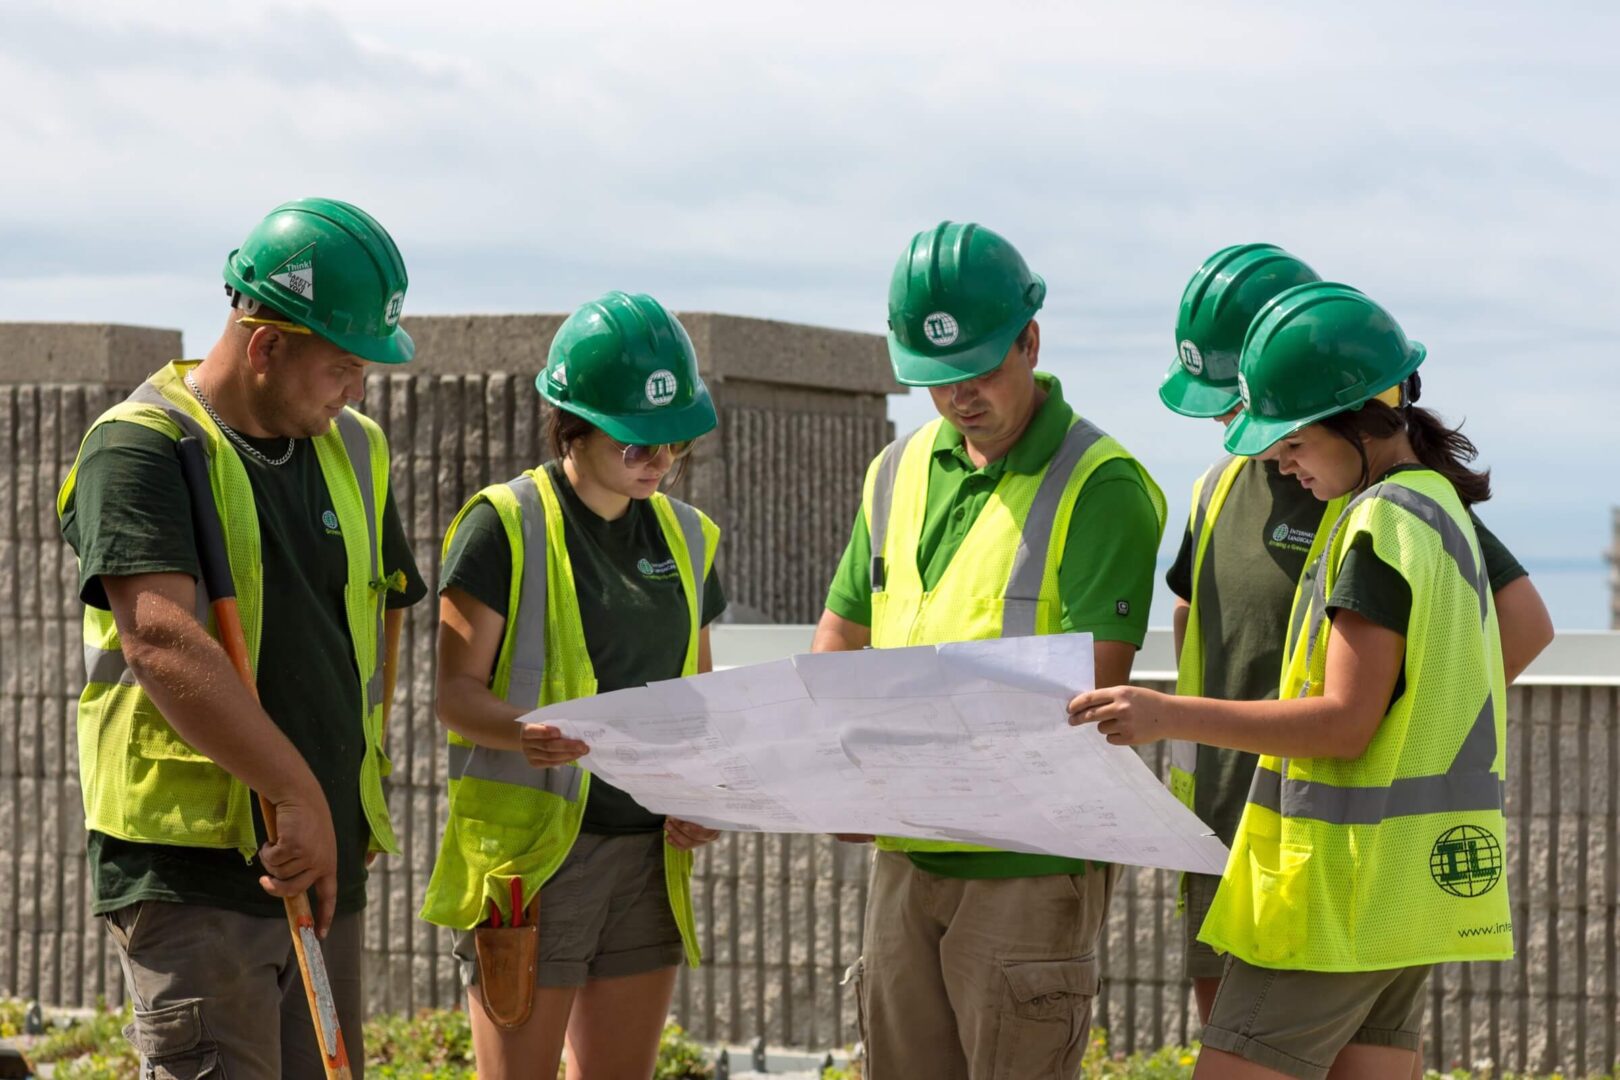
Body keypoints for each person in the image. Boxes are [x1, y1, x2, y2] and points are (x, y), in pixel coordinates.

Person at [1071, 283, 1516, 1080]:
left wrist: (1165, 713)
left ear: (1354, 419)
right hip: (1405, 892)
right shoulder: (1436, 510)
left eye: (1294, 445)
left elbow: (1344, 722)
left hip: (1336, 890)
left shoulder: (1379, 526)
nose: (1279, 461)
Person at [57, 198, 426, 1077]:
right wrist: (296, 788)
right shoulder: (142, 447)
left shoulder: (357, 450)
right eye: (342, 368)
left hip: (319, 857)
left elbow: (385, 612)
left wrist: (337, 794)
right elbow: (161, 638)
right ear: (266, 347)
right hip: (198, 871)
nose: (356, 393)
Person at [1158, 246, 1552, 1023]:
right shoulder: (1218, 488)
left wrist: (1396, 729)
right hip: (1228, 823)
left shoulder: (1381, 503)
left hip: (1330, 840)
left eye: (1240, 397)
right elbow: (1192, 617)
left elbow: (1509, 629)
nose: (1234, 424)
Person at [813, 221, 1166, 1079]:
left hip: (1027, 866)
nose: (960, 396)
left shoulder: (1102, 486)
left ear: (1031, 340)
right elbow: (841, 637)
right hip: (904, 857)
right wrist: (828, 771)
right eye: (935, 379)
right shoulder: (895, 470)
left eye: (979, 369)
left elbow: (1091, 696)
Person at [420, 292, 728, 1079]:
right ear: (574, 425)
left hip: (647, 859)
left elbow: (698, 695)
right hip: (535, 865)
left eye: (674, 442)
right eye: (636, 444)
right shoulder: (505, 523)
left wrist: (700, 794)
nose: (658, 461)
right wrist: (525, 733)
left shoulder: (688, 537)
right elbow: (455, 695)